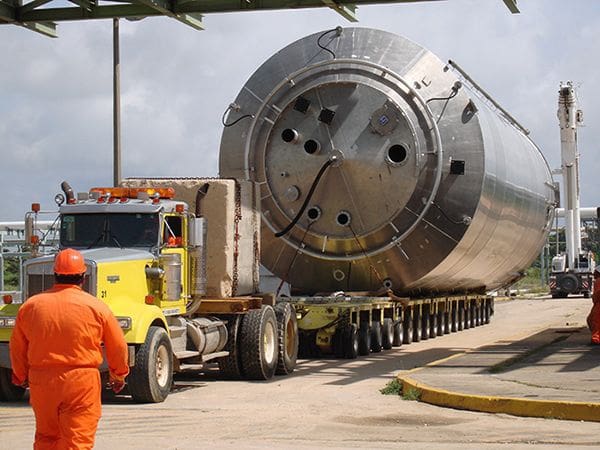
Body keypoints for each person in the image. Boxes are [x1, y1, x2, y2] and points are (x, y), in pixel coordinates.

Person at [9, 248, 130, 449]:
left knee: (46, 438)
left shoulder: (31, 306)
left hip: (42, 381)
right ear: (83, 277)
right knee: (78, 441)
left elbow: (17, 346)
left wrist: (20, 376)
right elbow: (117, 345)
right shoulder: (96, 307)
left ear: (55, 276)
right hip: (81, 382)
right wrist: (118, 375)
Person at [587, 265, 600, 345]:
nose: (594, 275)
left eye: (595, 273)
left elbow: (596, 296)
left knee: (595, 321)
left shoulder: (598, 281)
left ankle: (596, 338)